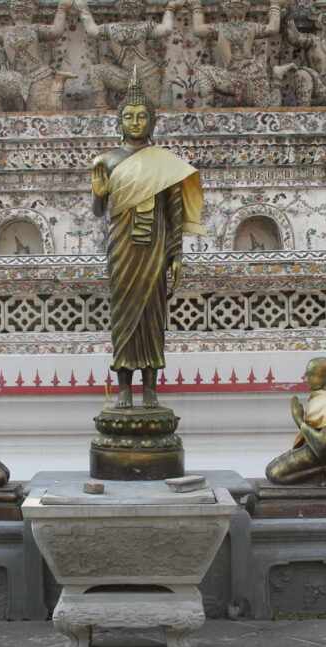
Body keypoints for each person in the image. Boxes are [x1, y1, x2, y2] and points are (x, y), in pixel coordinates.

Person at [90, 69, 204, 408]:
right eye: (129, 117)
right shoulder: (106, 161)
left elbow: (173, 213)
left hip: (155, 246)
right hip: (123, 245)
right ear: (119, 122)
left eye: (142, 117)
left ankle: (151, 388)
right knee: (123, 312)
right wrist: (99, 194)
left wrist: (177, 255)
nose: (136, 122)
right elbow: (99, 211)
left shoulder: (164, 163)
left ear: (152, 122)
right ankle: (124, 389)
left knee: (153, 315)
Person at [265, 357, 326, 486]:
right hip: (309, 448)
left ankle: (322, 470)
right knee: (269, 470)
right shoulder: (318, 397)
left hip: (318, 455)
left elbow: (322, 445)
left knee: (276, 475)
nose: (305, 379)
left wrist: (299, 421)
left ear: (324, 377)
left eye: (310, 375)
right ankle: (319, 472)